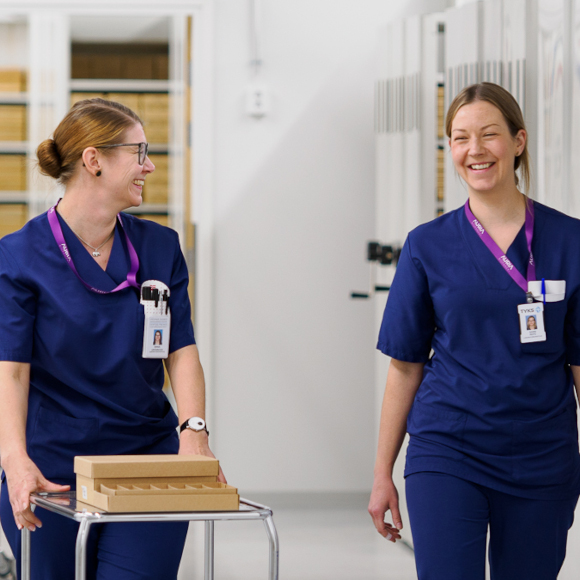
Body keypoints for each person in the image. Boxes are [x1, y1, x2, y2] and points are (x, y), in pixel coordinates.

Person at [0, 98, 224, 580]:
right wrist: (14, 460)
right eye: (138, 151)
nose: (150, 164)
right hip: (52, 465)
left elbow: (180, 351)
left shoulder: (159, 247)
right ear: (94, 160)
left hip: (147, 458)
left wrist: (195, 433)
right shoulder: (19, 256)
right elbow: (11, 371)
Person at [368, 82, 580, 580]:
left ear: (519, 141)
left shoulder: (570, 239)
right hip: (449, 446)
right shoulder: (427, 245)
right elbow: (405, 367)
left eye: (489, 135)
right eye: (461, 138)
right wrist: (382, 473)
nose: (475, 150)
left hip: (543, 455)